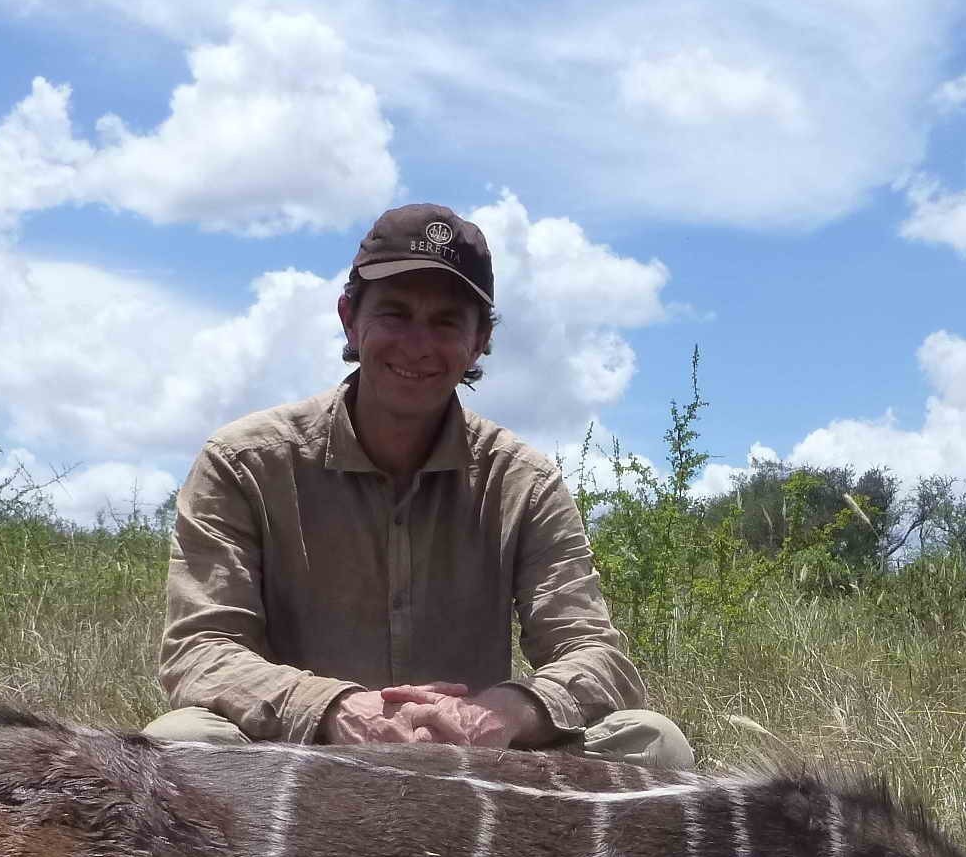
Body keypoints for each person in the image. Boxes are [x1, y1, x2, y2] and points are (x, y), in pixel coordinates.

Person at [146, 202, 693, 771]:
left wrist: (502, 713)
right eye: (395, 313)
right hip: (301, 759)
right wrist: (338, 709)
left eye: (446, 322)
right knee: (181, 742)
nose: (417, 344)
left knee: (654, 743)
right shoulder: (243, 462)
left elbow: (598, 654)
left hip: (474, 765)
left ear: (480, 340)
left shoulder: (523, 482)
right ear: (349, 319)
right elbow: (201, 651)